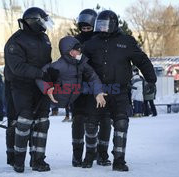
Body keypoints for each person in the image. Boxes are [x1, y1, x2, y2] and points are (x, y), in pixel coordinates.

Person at [83, 10, 157, 171]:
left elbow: (142, 60)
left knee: (121, 123)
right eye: (99, 25)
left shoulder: (126, 42)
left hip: (120, 91)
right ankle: (89, 156)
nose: (102, 28)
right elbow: (81, 67)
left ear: (113, 25)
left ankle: (119, 160)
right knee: (90, 124)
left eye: (105, 25)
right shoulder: (91, 44)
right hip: (97, 92)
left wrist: (151, 79)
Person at [4, 7, 56, 173]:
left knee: (42, 122)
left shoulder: (44, 38)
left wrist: (52, 73)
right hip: (21, 86)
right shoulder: (15, 41)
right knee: (24, 121)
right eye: (43, 21)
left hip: (41, 86)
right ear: (35, 22)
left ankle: (38, 160)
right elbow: (17, 67)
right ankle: (18, 160)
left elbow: (47, 61)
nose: (45, 25)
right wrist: (40, 73)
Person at [71, 9, 112, 168]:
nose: (85, 30)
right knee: (78, 119)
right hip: (79, 87)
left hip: (99, 85)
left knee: (105, 119)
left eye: (89, 27)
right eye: (83, 27)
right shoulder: (74, 41)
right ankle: (76, 155)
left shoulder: (102, 40)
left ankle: (102, 154)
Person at [35, 36, 106, 109]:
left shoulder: (82, 64)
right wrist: (47, 88)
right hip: (57, 101)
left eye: (80, 49)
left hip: (74, 101)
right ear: (70, 52)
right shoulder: (58, 65)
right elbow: (40, 76)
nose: (80, 51)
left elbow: (92, 76)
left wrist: (98, 92)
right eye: (77, 50)